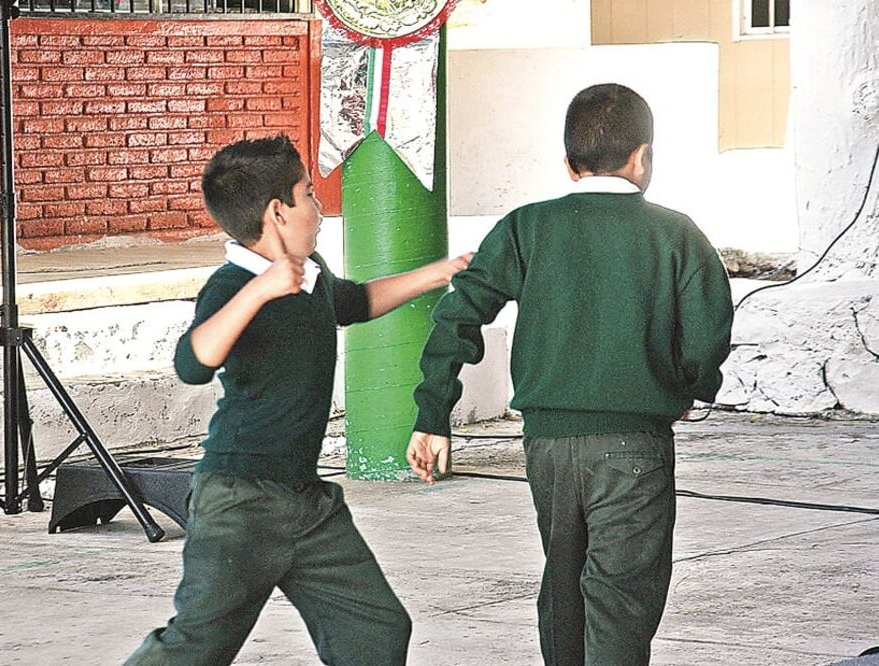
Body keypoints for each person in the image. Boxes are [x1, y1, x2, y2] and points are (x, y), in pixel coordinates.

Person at [405, 83, 734, 666]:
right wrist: (689, 389)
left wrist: (434, 414)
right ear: (642, 157)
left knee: (563, 583)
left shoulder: (525, 227)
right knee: (621, 599)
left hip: (547, 447)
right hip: (634, 444)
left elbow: (458, 312)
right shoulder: (676, 232)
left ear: (568, 164)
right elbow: (709, 335)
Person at [125, 134, 471, 666]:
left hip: (308, 506)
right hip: (240, 502)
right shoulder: (231, 284)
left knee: (376, 630)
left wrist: (443, 271)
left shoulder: (313, 275)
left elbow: (356, 302)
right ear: (277, 212)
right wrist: (260, 290)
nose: (319, 209)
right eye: (309, 194)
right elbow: (192, 363)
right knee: (196, 648)